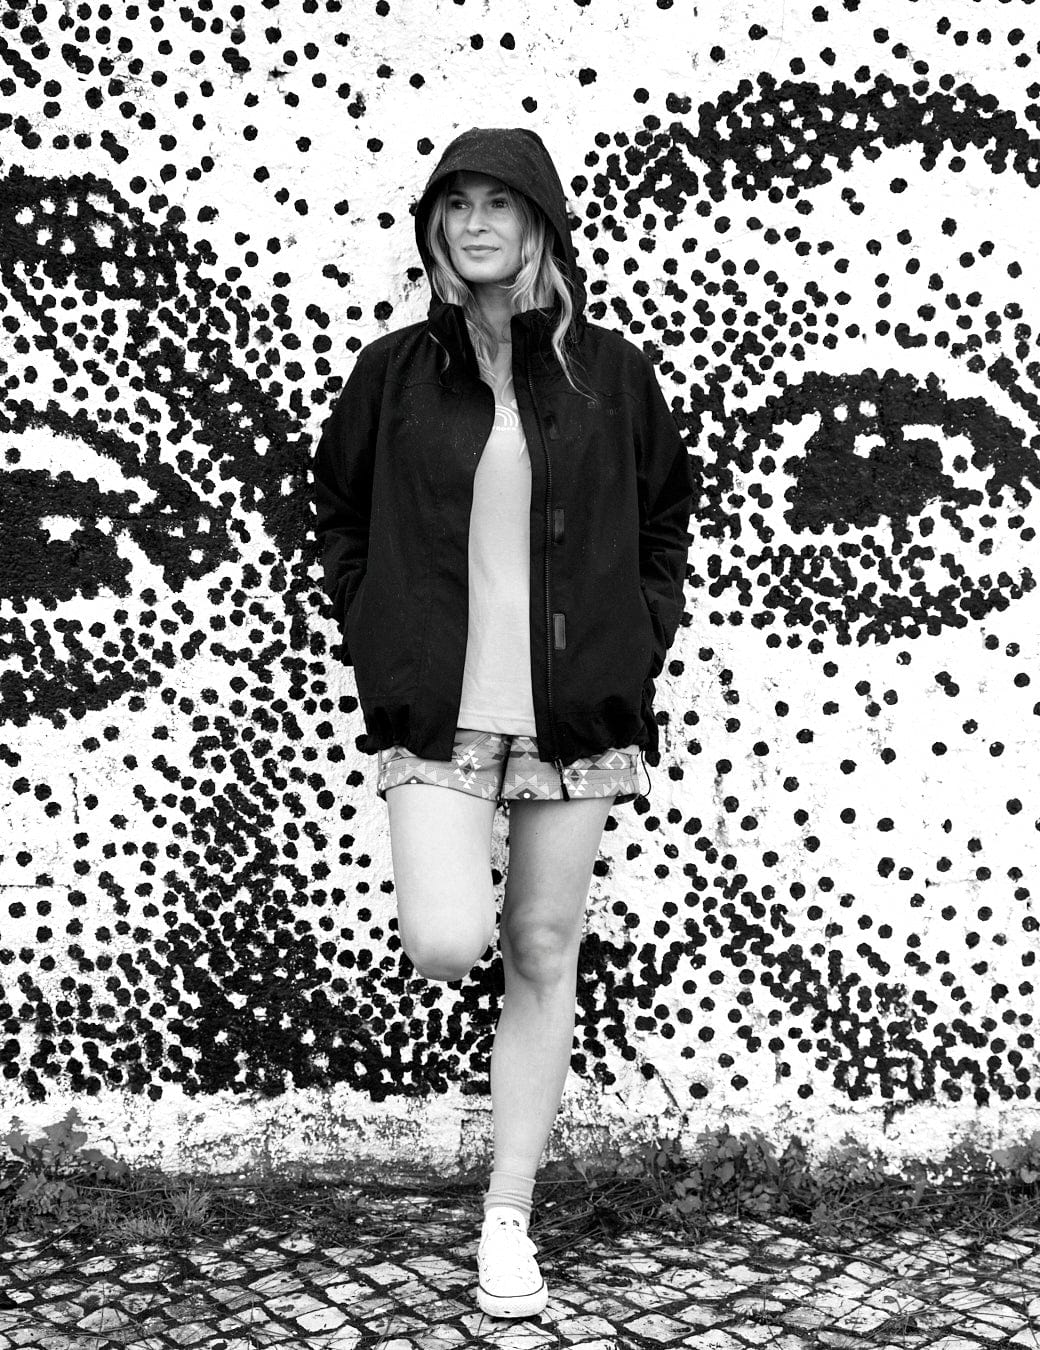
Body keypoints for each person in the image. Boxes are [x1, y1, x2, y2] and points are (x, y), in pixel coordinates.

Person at [313, 127, 694, 1320]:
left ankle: (508, 1214)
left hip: (574, 714)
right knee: (444, 937)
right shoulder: (392, 372)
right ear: (434, 229)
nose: (476, 223)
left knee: (542, 948)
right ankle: (504, 1194)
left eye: (501, 204)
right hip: (440, 711)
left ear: (540, 225)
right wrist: (376, 631)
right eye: (456, 205)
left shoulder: (610, 375)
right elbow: (336, 514)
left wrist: (641, 635)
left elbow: (663, 526)